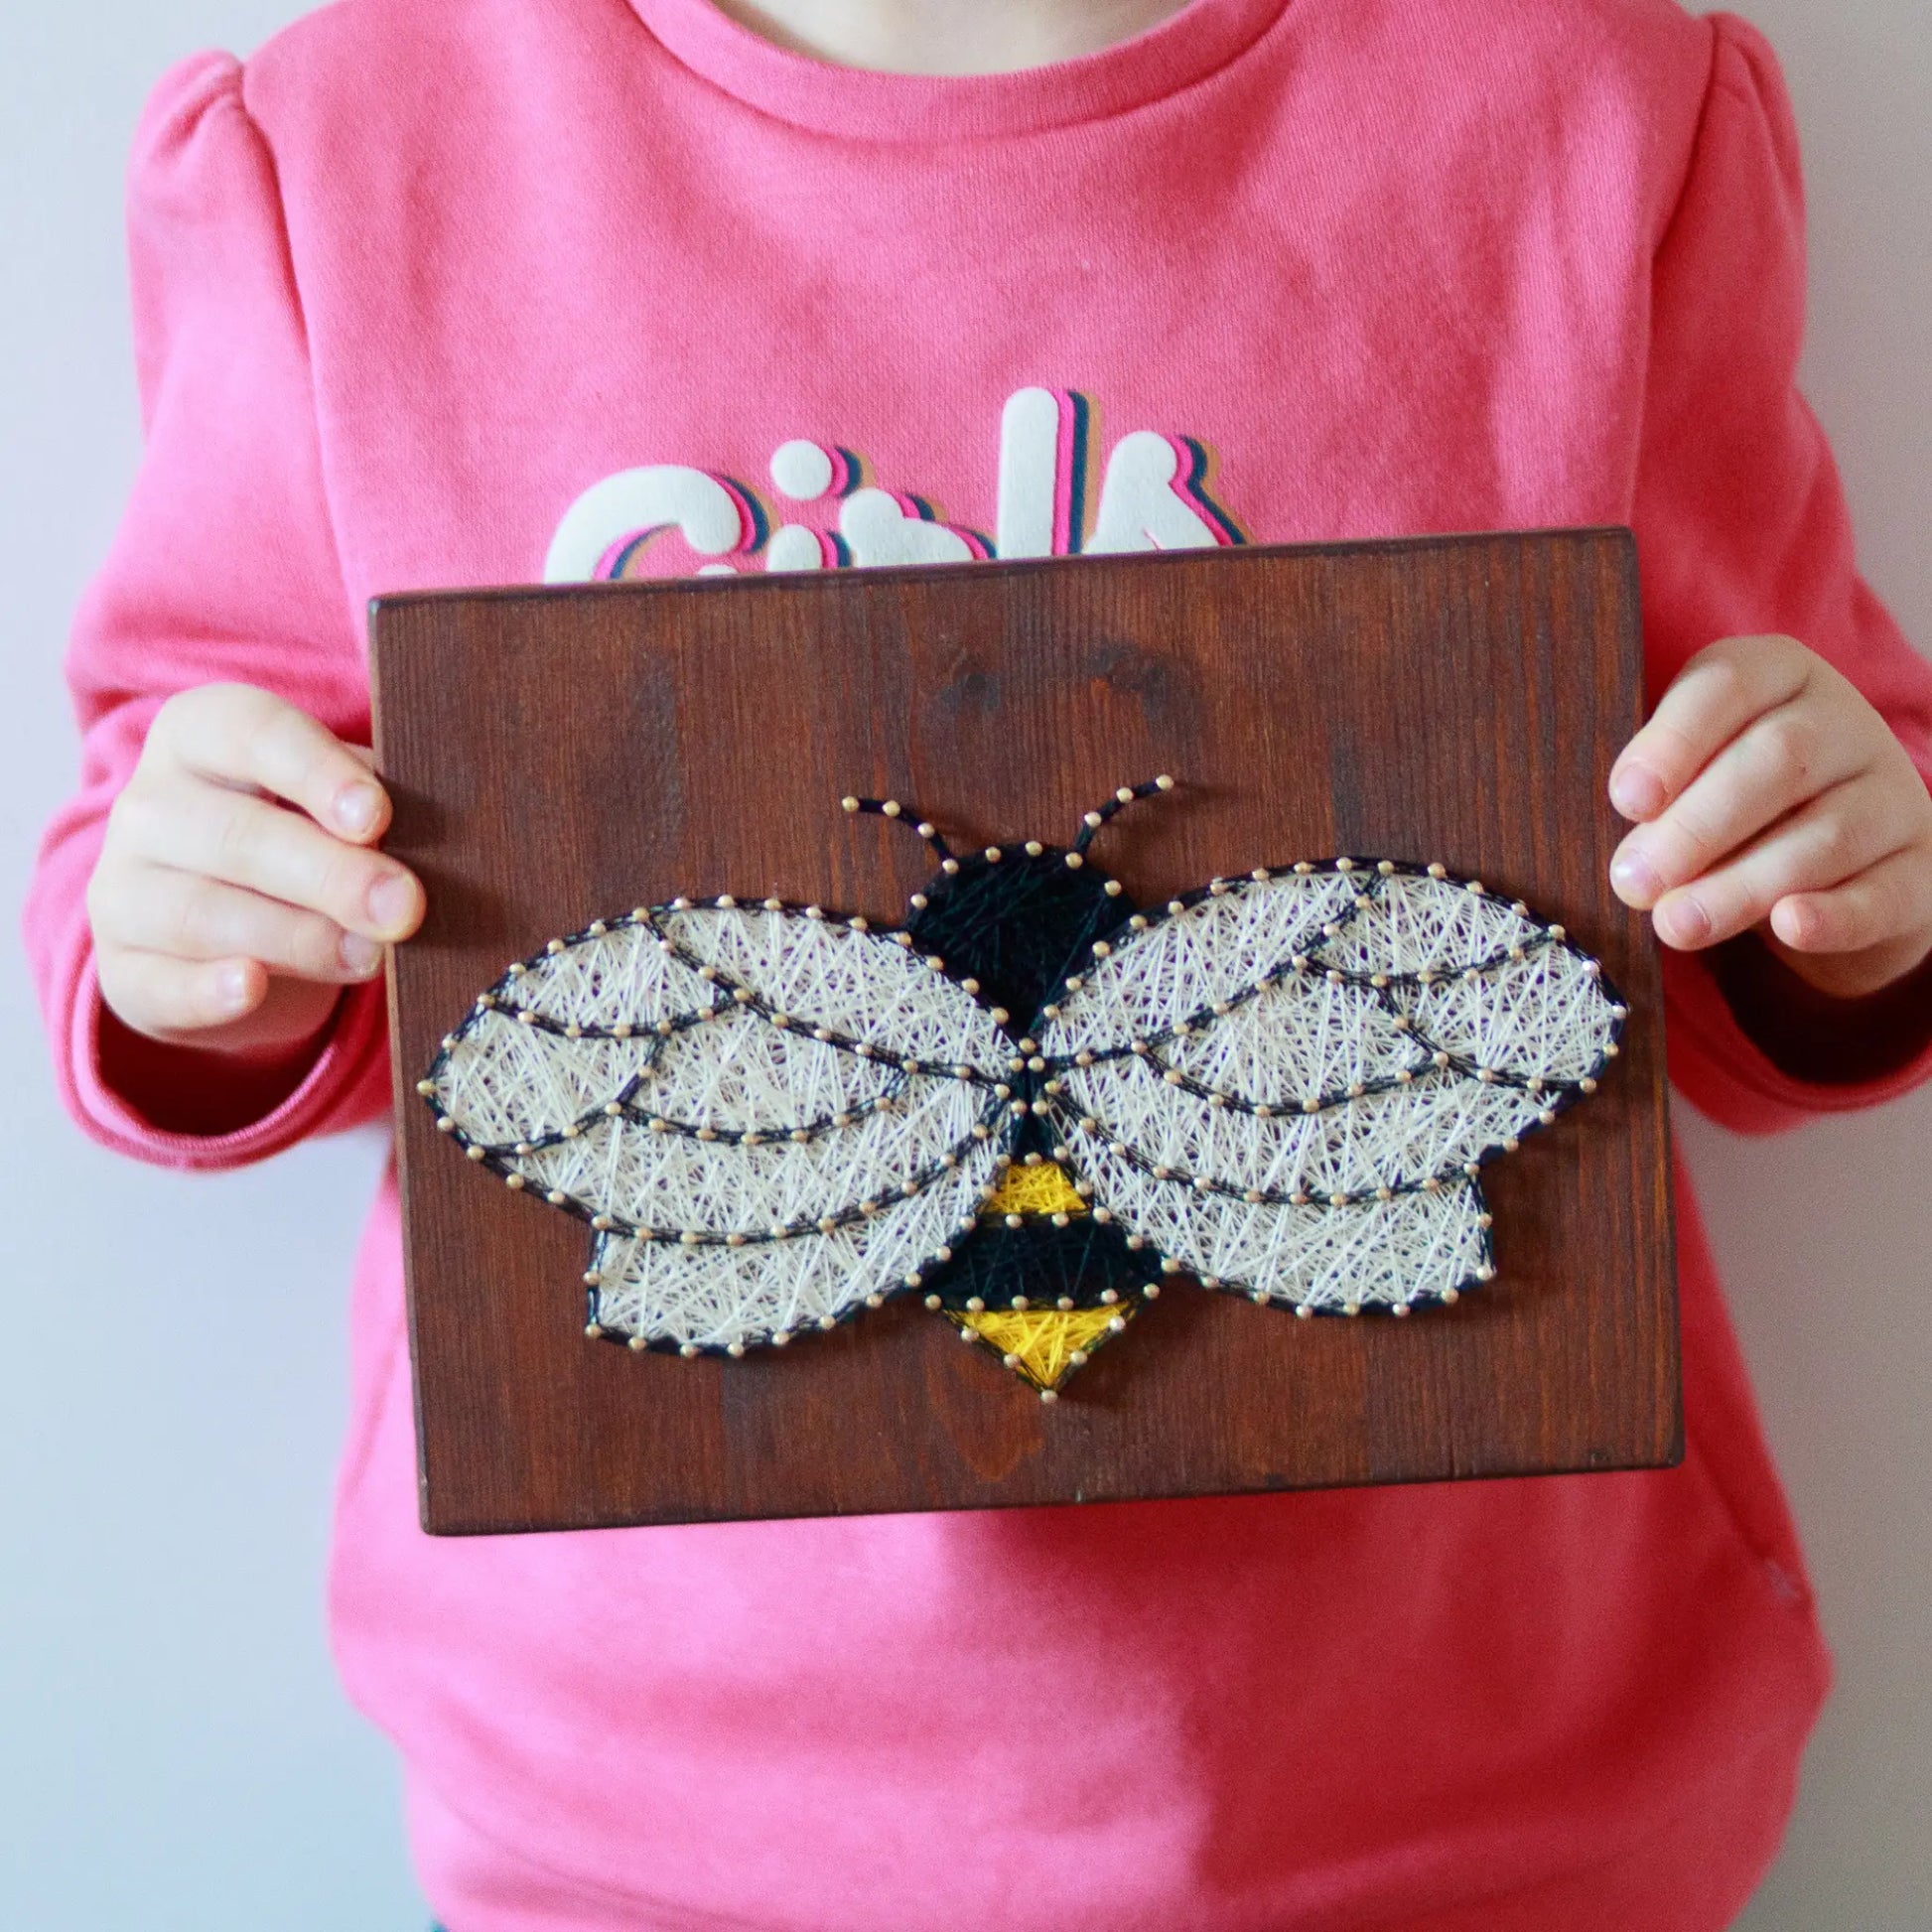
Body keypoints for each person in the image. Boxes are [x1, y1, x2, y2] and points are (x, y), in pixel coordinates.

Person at [25, 0, 1932, 1925]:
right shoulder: (345, 154)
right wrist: (211, 949)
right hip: (654, 1805)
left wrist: (1830, 887)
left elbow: (1745, 874)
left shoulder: (1589, 111)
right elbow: (220, 860)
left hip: (1479, 1776)